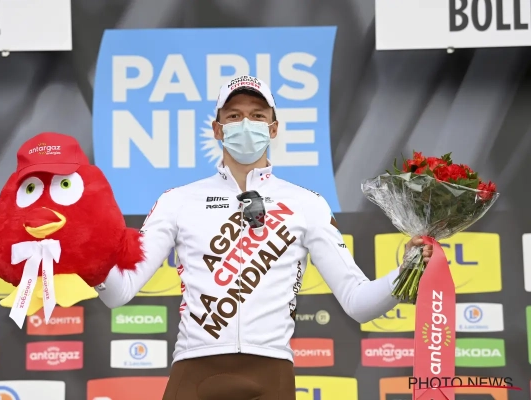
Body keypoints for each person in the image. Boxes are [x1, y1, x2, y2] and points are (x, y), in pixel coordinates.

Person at [95, 75, 433, 400]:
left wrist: (408, 270)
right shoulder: (177, 201)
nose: (246, 124)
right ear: (217, 129)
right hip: (194, 368)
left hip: (271, 373)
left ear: (273, 129)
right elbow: (120, 292)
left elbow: (358, 303)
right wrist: (88, 260)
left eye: (257, 116)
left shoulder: (306, 204)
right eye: (234, 116)